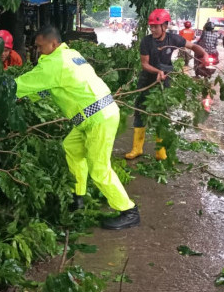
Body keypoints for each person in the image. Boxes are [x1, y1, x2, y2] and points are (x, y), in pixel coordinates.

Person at [14, 27, 140, 230]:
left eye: (39, 46)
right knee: (71, 147)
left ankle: (129, 211)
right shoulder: (70, 55)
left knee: (99, 169)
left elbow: (20, 84)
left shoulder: (55, 63)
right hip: (94, 116)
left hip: (98, 119)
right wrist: (28, 97)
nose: (36, 50)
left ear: (53, 44)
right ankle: (78, 196)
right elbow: (52, 88)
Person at [125, 9, 209, 161]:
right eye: (151, 26)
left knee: (161, 114)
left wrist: (204, 55)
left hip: (165, 81)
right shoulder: (146, 41)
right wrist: (158, 71)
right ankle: (137, 149)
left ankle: (160, 152)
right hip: (147, 80)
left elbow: (193, 46)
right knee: (140, 111)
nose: (153, 29)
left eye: (156, 26)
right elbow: (144, 64)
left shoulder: (174, 39)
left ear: (165, 26)